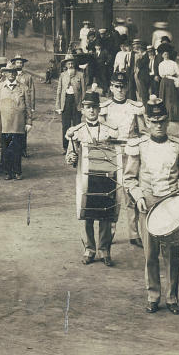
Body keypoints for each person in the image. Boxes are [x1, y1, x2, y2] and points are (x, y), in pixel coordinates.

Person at [123, 97, 179, 314]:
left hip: (171, 205)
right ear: (147, 122)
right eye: (154, 122)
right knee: (150, 254)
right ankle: (153, 296)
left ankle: (172, 298)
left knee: (171, 255)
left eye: (162, 121)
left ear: (167, 121)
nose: (159, 126)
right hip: (148, 204)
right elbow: (129, 178)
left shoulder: (177, 146)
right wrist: (138, 196)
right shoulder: (139, 147)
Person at [65, 92, 121, 266]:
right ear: (83, 109)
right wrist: (72, 158)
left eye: (94, 107)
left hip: (106, 179)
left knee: (106, 213)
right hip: (86, 180)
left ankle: (104, 249)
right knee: (86, 213)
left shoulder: (109, 131)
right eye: (88, 107)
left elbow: (116, 154)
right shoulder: (77, 132)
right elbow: (70, 156)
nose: (91, 111)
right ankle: (89, 249)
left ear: (99, 109)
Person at [99, 72, 146, 247]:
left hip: (130, 155)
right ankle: (109, 233)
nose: (119, 90)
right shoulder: (105, 108)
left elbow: (143, 132)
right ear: (111, 88)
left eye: (122, 86)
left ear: (126, 88)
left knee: (131, 195)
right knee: (112, 195)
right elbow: (101, 133)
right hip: (112, 155)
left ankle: (134, 234)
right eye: (116, 86)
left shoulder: (135, 107)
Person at [0, 63, 31, 180]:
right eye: (8, 72)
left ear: (16, 73)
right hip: (4, 124)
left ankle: (17, 171)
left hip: (18, 124)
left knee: (17, 149)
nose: (11, 74)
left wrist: (29, 122)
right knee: (5, 150)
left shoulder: (23, 88)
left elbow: (28, 106)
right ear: (4, 73)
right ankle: (7, 172)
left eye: (13, 72)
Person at [56, 54, 85, 153]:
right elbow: (59, 91)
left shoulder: (80, 75)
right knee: (66, 125)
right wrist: (58, 106)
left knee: (77, 124)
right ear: (66, 65)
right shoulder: (63, 75)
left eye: (72, 63)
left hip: (76, 102)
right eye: (69, 63)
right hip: (66, 101)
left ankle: (77, 147)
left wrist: (83, 105)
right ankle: (65, 147)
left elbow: (84, 91)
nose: (71, 65)